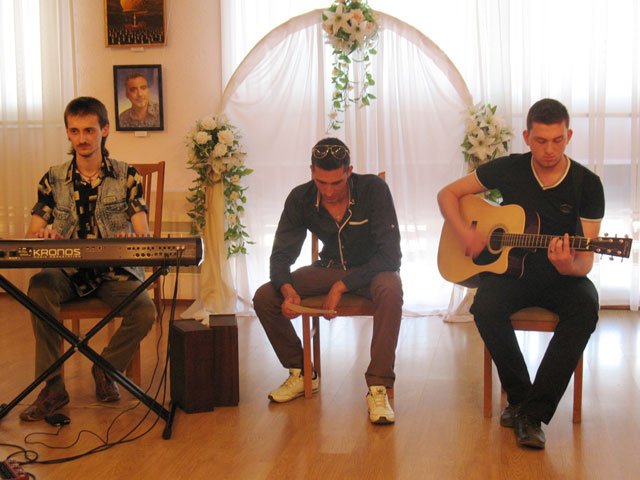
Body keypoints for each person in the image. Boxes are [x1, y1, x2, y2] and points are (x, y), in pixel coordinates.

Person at [437, 98, 605, 449]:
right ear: (527, 137)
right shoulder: (509, 169)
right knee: (485, 306)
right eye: (541, 141)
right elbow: (447, 194)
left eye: (558, 140)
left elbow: (585, 261)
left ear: (569, 136)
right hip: (511, 273)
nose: (549, 149)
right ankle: (521, 397)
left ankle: (531, 414)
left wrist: (567, 265)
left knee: (586, 307)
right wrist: (465, 233)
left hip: (561, 277)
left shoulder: (587, 184)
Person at [19, 96, 157, 422]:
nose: (82, 138)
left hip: (113, 272)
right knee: (39, 287)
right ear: (68, 133)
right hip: (67, 272)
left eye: (89, 130)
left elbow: (143, 231)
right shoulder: (52, 178)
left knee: (145, 310)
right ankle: (53, 388)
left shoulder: (126, 175)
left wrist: (132, 238)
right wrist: (43, 235)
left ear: (104, 130)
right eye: (75, 131)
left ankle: (105, 368)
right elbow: (32, 232)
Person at [253, 137, 403, 425]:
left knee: (391, 289)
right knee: (265, 297)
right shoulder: (300, 198)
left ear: (349, 171)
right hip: (328, 268)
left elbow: (390, 257)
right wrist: (287, 290)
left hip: (372, 271)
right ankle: (302, 372)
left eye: (337, 182)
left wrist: (341, 286)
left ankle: (378, 386)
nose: (329, 191)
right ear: (311, 171)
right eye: (321, 182)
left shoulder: (373, 189)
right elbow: (280, 255)